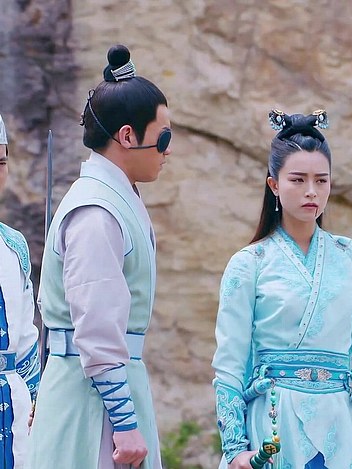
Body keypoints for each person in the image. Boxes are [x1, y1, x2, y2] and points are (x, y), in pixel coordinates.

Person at [213, 110, 352, 469]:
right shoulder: (250, 263)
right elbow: (229, 365)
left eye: (321, 180)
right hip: (274, 424)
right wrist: (235, 449)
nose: (312, 191)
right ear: (274, 185)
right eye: (298, 179)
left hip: (343, 423)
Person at [30, 44, 171, 469]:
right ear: (127, 136)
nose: (167, 149)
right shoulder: (97, 211)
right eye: (163, 136)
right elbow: (95, 323)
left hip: (103, 390)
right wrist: (125, 423)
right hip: (91, 407)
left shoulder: (114, 199)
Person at [0, 113, 41, 468]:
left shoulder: (14, 246)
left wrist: (38, 400)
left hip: (14, 410)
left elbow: (26, 339)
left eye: (0, 162)